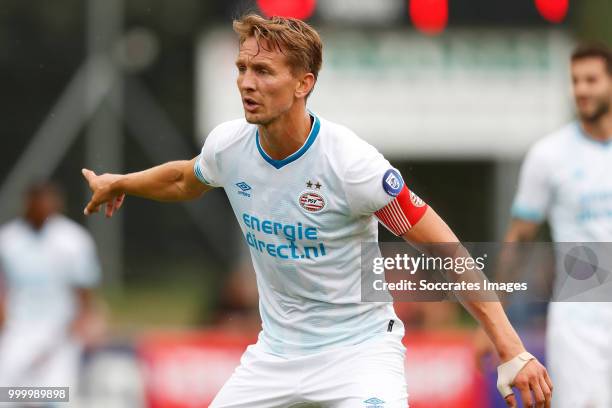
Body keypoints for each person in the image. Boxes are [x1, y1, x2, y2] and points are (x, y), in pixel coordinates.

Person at [82, 14, 552, 407]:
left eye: (264, 71)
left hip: (360, 352)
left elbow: (445, 250)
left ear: (304, 83)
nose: (247, 82)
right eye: (242, 67)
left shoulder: (351, 165)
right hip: (275, 355)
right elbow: (186, 178)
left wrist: (510, 347)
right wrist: (120, 182)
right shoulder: (230, 146)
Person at [479, 43, 612, 408]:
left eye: (591, 80)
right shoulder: (549, 155)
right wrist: (495, 320)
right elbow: (519, 238)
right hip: (579, 315)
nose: (582, 89)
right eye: (575, 81)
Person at [0, 182, 103, 400]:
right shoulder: (7, 241)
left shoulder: (73, 240)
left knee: (57, 396)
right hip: (17, 331)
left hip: (60, 335)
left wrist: (85, 322)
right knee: (9, 396)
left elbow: (83, 290)